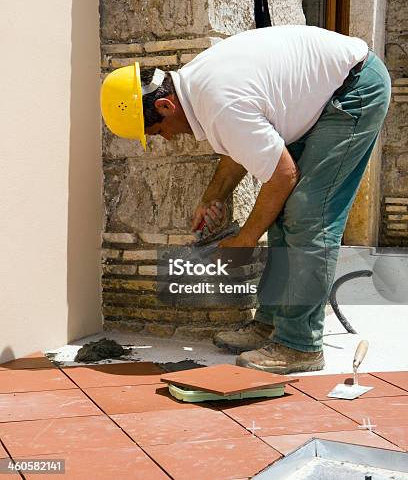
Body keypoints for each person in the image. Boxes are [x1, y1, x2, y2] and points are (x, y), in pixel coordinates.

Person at [101, 25, 391, 374]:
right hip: (327, 93)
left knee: (309, 214)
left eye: (158, 131)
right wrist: (213, 197)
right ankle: (272, 323)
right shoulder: (199, 88)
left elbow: (282, 174)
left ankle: (300, 345)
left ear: (164, 105)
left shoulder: (219, 103)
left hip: (354, 89)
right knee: (284, 212)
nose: (167, 139)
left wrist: (244, 240)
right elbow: (241, 144)